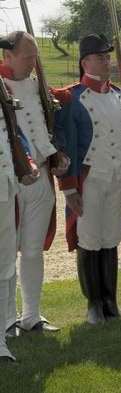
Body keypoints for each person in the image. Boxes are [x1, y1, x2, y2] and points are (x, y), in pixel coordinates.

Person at [54, 34, 121, 324]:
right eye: (101, 57)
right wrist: (70, 187)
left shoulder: (118, 96)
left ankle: (111, 301)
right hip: (89, 177)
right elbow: (68, 145)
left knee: (110, 238)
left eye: (108, 57)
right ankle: (94, 304)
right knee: (89, 238)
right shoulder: (73, 98)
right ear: (85, 62)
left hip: (116, 175)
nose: (107, 61)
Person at [0, 31, 69, 333]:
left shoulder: (39, 87)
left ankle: (32, 315)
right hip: (11, 178)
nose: (32, 63)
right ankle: (8, 318)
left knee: (32, 249)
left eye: (33, 57)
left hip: (41, 176)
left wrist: (58, 155)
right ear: (7, 56)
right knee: (6, 251)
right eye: (28, 57)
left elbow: (49, 128)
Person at [0, 97, 39, 361]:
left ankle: (0, 341)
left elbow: (12, 132)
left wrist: (26, 161)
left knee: (3, 266)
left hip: (4, 189)